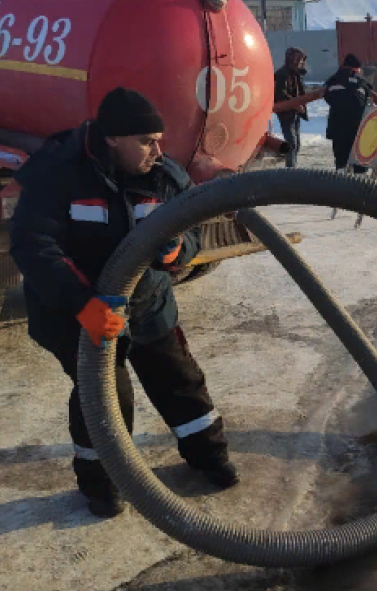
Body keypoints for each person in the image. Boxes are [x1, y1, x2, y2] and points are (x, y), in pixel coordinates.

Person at [10, 88, 240, 519]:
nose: (158, 150)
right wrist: (84, 305)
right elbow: (34, 245)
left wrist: (176, 252)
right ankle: (103, 484)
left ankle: (210, 457)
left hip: (147, 304)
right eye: (146, 141)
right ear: (112, 139)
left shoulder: (164, 176)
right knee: (106, 394)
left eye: (159, 139)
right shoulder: (58, 172)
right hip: (76, 313)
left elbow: (193, 233)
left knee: (180, 382)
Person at [325, 53, 372, 173]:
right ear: (356, 68)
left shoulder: (332, 81)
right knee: (359, 164)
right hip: (357, 128)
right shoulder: (361, 82)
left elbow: (328, 98)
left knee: (341, 162)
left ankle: (341, 185)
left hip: (337, 128)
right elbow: (367, 99)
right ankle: (360, 185)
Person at [274, 47, 309, 168]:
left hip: (295, 112)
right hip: (286, 113)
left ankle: (293, 168)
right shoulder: (282, 74)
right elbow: (281, 95)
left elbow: (300, 92)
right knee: (292, 144)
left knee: (297, 144)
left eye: (301, 60)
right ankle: (290, 171)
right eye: (298, 59)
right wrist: (296, 105)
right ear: (291, 59)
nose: (300, 62)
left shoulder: (296, 74)